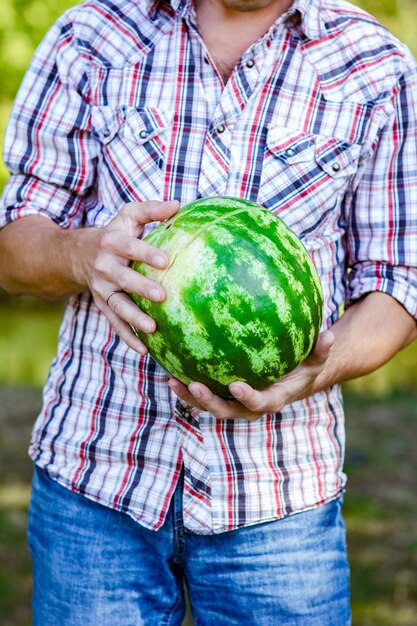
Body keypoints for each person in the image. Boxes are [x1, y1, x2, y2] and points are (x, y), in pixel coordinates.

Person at [1, 0, 417, 623]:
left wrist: (315, 372)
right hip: (94, 483)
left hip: (281, 497)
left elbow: (399, 283)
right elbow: (12, 248)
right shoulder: (91, 36)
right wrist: (83, 254)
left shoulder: (375, 63)